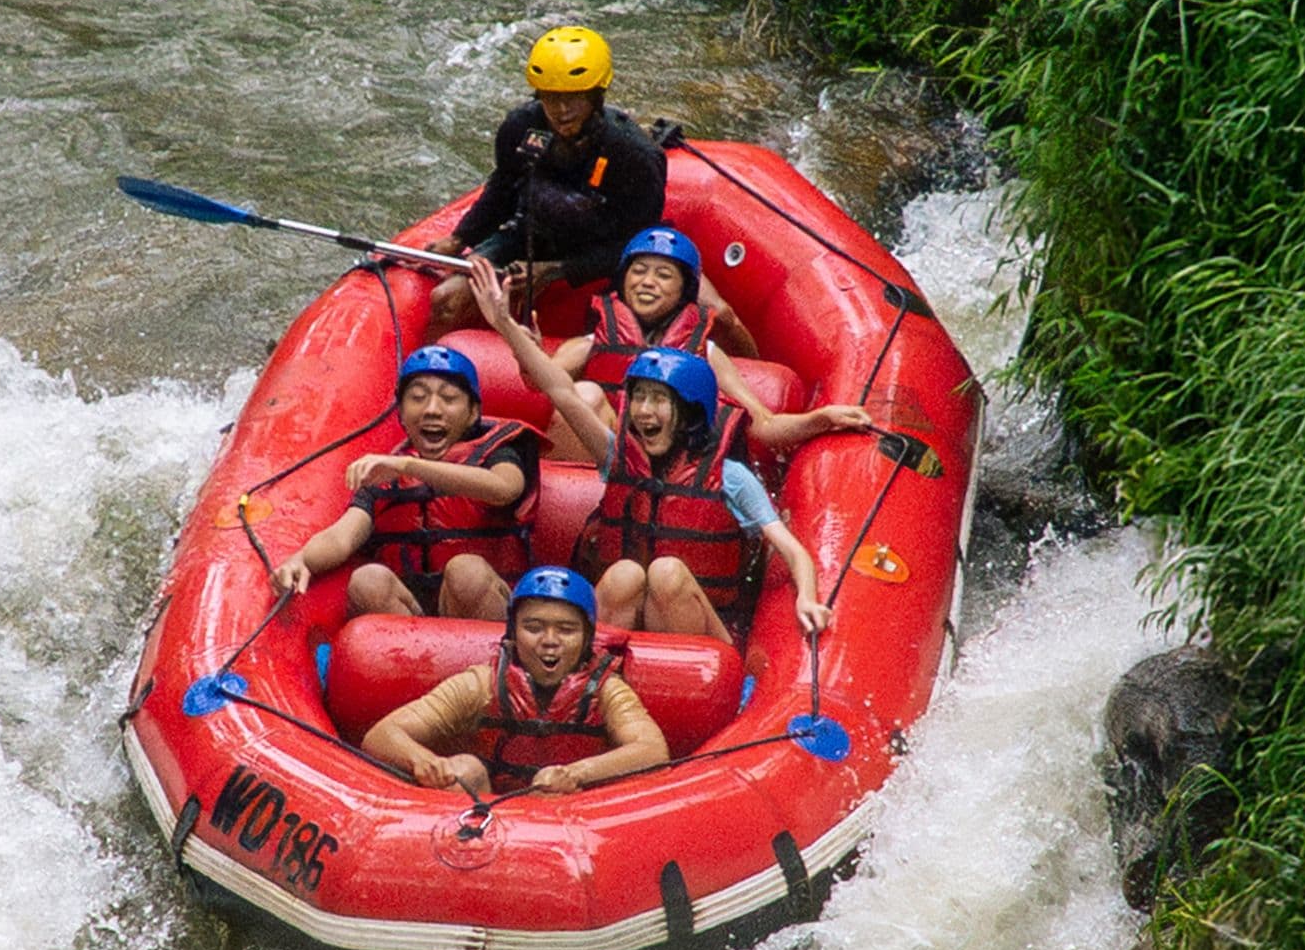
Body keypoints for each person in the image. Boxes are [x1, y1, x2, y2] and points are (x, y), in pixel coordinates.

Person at [469, 256, 830, 642]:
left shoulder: (730, 476)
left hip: (701, 648)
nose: (642, 411)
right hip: (622, 628)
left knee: (667, 573)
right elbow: (561, 390)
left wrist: (807, 598)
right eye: (638, 398)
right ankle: (593, 678)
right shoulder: (617, 456)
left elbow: (792, 551)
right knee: (625, 574)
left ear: (689, 412)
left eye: (658, 400)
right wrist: (504, 324)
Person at [536, 225, 866, 461]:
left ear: (684, 291)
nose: (647, 282)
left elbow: (764, 426)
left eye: (663, 275)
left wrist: (821, 419)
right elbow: (537, 382)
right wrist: (523, 344)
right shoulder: (590, 344)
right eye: (639, 272)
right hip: (595, 472)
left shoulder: (705, 353)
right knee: (585, 395)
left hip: (662, 474)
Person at [424, 25, 667, 327]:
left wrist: (556, 270)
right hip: (533, 234)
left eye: (574, 97)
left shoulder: (633, 154)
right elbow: (503, 188)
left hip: (600, 250)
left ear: (596, 96)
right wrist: (460, 237)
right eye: (551, 98)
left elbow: (638, 244)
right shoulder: (521, 126)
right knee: (444, 300)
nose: (562, 110)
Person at [272, 346, 535, 620]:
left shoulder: (499, 453)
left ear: (472, 413)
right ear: (400, 411)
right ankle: (424, 660)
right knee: (368, 580)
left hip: (487, 620)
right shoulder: (384, 475)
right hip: (411, 629)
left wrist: (409, 465)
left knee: (465, 571)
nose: (432, 410)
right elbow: (342, 538)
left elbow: (505, 489)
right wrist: (301, 560)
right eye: (418, 398)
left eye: (449, 398)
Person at [360, 566, 669, 798]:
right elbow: (381, 735)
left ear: (587, 638)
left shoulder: (606, 691)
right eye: (533, 628)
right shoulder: (480, 684)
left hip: (572, 818)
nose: (550, 641)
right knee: (462, 770)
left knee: (550, 788)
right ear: (513, 634)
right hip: (488, 818)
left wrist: (577, 773)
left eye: (566, 630)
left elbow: (653, 751)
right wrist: (423, 761)